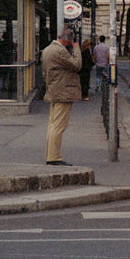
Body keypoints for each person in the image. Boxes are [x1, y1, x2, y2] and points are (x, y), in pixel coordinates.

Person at [41, 26, 82, 166]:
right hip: (63, 92)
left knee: (52, 125)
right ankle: (54, 157)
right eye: (71, 40)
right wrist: (76, 48)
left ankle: (50, 154)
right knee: (59, 126)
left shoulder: (47, 50)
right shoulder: (60, 51)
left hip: (53, 90)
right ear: (68, 40)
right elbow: (77, 65)